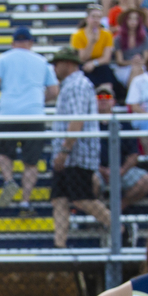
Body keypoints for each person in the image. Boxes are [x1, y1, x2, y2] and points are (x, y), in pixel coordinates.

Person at [0, 27, 58, 208]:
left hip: (8, 113)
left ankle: (9, 180)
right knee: (31, 161)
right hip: (34, 115)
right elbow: (54, 91)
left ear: (13, 43)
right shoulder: (42, 62)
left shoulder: (4, 58)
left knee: (4, 153)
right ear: (31, 43)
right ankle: (25, 201)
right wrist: (39, 101)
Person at [49, 45, 109, 248]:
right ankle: (60, 245)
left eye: (57, 63)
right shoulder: (71, 85)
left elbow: (77, 120)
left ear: (68, 63)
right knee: (59, 199)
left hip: (77, 154)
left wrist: (65, 151)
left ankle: (120, 229)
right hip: (69, 153)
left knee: (81, 198)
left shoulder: (77, 85)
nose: (54, 68)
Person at [94, 84, 148, 210]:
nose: (103, 99)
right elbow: (84, 154)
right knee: (89, 179)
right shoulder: (88, 124)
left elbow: (134, 154)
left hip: (122, 170)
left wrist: (121, 171)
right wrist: (102, 170)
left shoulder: (124, 123)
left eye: (107, 96)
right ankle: (99, 211)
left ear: (114, 101)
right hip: (96, 170)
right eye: (99, 96)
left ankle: (115, 210)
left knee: (147, 180)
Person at [71, 3, 115, 88]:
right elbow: (82, 58)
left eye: (98, 17)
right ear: (87, 18)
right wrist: (91, 43)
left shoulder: (107, 34)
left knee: (106, 71)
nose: (96, 20)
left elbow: (106, 58)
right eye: (93, 17)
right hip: (84, 65)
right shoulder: (78, 35)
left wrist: (94, 63)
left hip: (99, 64)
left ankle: (106, 96)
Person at [113, 7, 148, 86]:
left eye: (135, 19)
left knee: (138, 70)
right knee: (136, 70)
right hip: (124, 68)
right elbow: (120, 61)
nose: (133, 22)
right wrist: (132, 62)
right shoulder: (118, 39)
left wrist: (138, 62)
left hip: (141, 66)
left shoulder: (145, 37)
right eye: (130, 19)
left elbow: (147, 58)